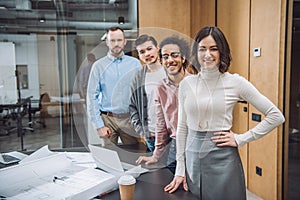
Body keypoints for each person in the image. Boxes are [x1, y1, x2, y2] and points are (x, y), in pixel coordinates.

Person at [164, 26, 285, 199]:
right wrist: (180, 169)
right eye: (202, 49)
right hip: (192, 160)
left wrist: (241, 138)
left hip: (223, 158)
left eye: (214, 48)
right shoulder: (186, 84)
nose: (207, 54)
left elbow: (276, 116)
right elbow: (182, 128)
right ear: (195, 52)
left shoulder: (235, 82)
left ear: (222, 51)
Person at [136, 36, 196, 174]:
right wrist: (156, 155)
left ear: (183, 57)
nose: (170, 60)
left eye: (175, 55)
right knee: (172, 182)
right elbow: (161, 124)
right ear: (162, 60)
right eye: (165, 56)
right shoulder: (160, 87)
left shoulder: (195, 83)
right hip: (175, 143)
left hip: (195, 142)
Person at [87, 26, 143, 145]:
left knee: (134, 157)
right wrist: (99, 126)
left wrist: (141, 121)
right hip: (108, 119)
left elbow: (142, 93)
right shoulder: (98, 66)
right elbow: (92, 97)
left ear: (124, 41)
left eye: (119, 40)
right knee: (108, 159)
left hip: (129, 119)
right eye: (112, 40)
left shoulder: (135, 64)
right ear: (107, 42)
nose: (116, 44)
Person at [129, 34, 166, 152]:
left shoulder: (170, 71)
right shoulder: (138, 77)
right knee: (158, 170)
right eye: (142, 52)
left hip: (172, 135)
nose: (147, 54)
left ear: (157, 48)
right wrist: (142, 131)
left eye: (149, 49)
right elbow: (132, 107)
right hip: (151, 136)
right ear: (139, 55)